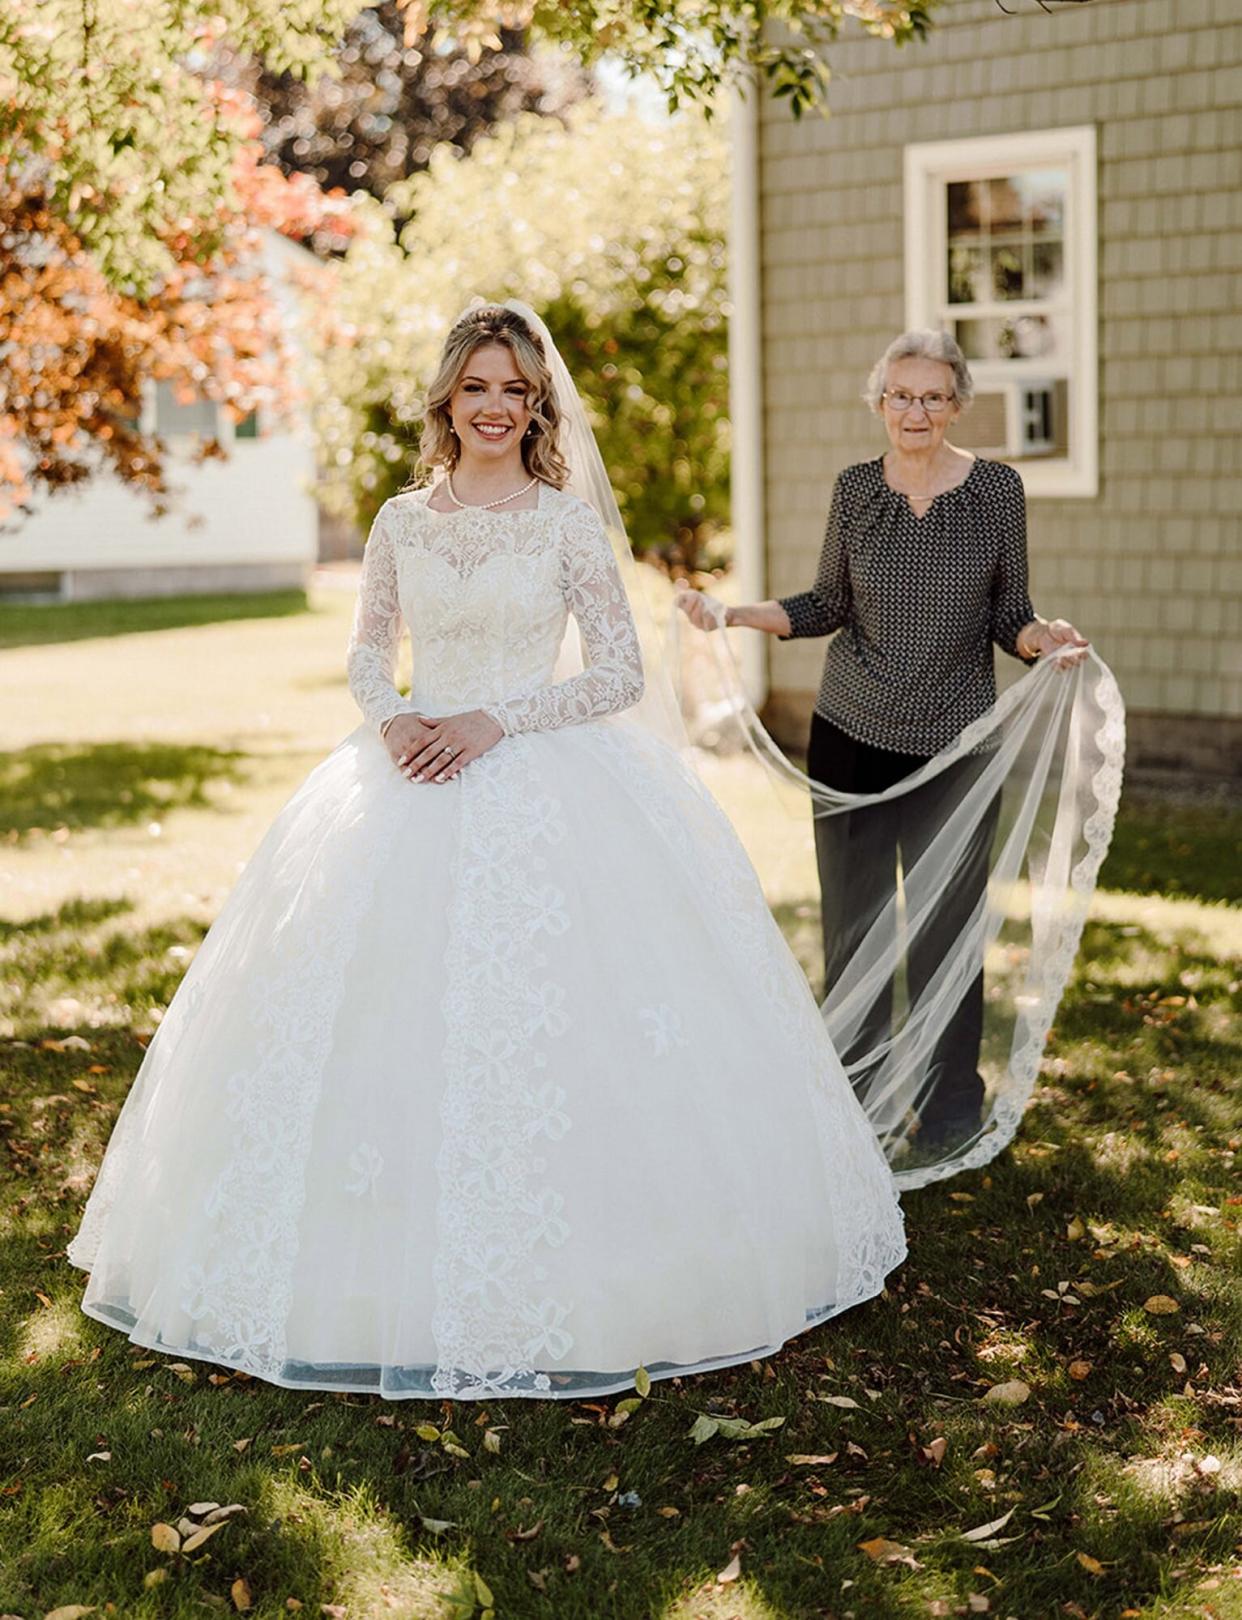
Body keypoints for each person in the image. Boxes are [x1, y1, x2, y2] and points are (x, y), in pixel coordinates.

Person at [65, 300, 906, 1402]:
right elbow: (369, 651)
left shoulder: (565, 524)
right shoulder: (401, 521)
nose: (497, 408)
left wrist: (495, 720)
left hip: (542, 769)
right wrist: (397, 717)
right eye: (478, 388)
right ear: (447, 401)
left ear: (536, 406)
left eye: (516, 390)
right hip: (406, 774)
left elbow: (616, 675)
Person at [677, 328, 1089, 1149]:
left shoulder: (997, 492)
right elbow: (828, 602)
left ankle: (947, 1113)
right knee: (856, 932)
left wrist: (1043, 638)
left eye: (933, 396)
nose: (916, 410)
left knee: (947, 934)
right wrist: (733, 613)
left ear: (958, 404)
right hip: (852, 734)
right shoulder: (856, 490)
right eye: (900, 395)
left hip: (956, 743)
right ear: (879, 403)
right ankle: (859, 1105)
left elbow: (1011, 614)